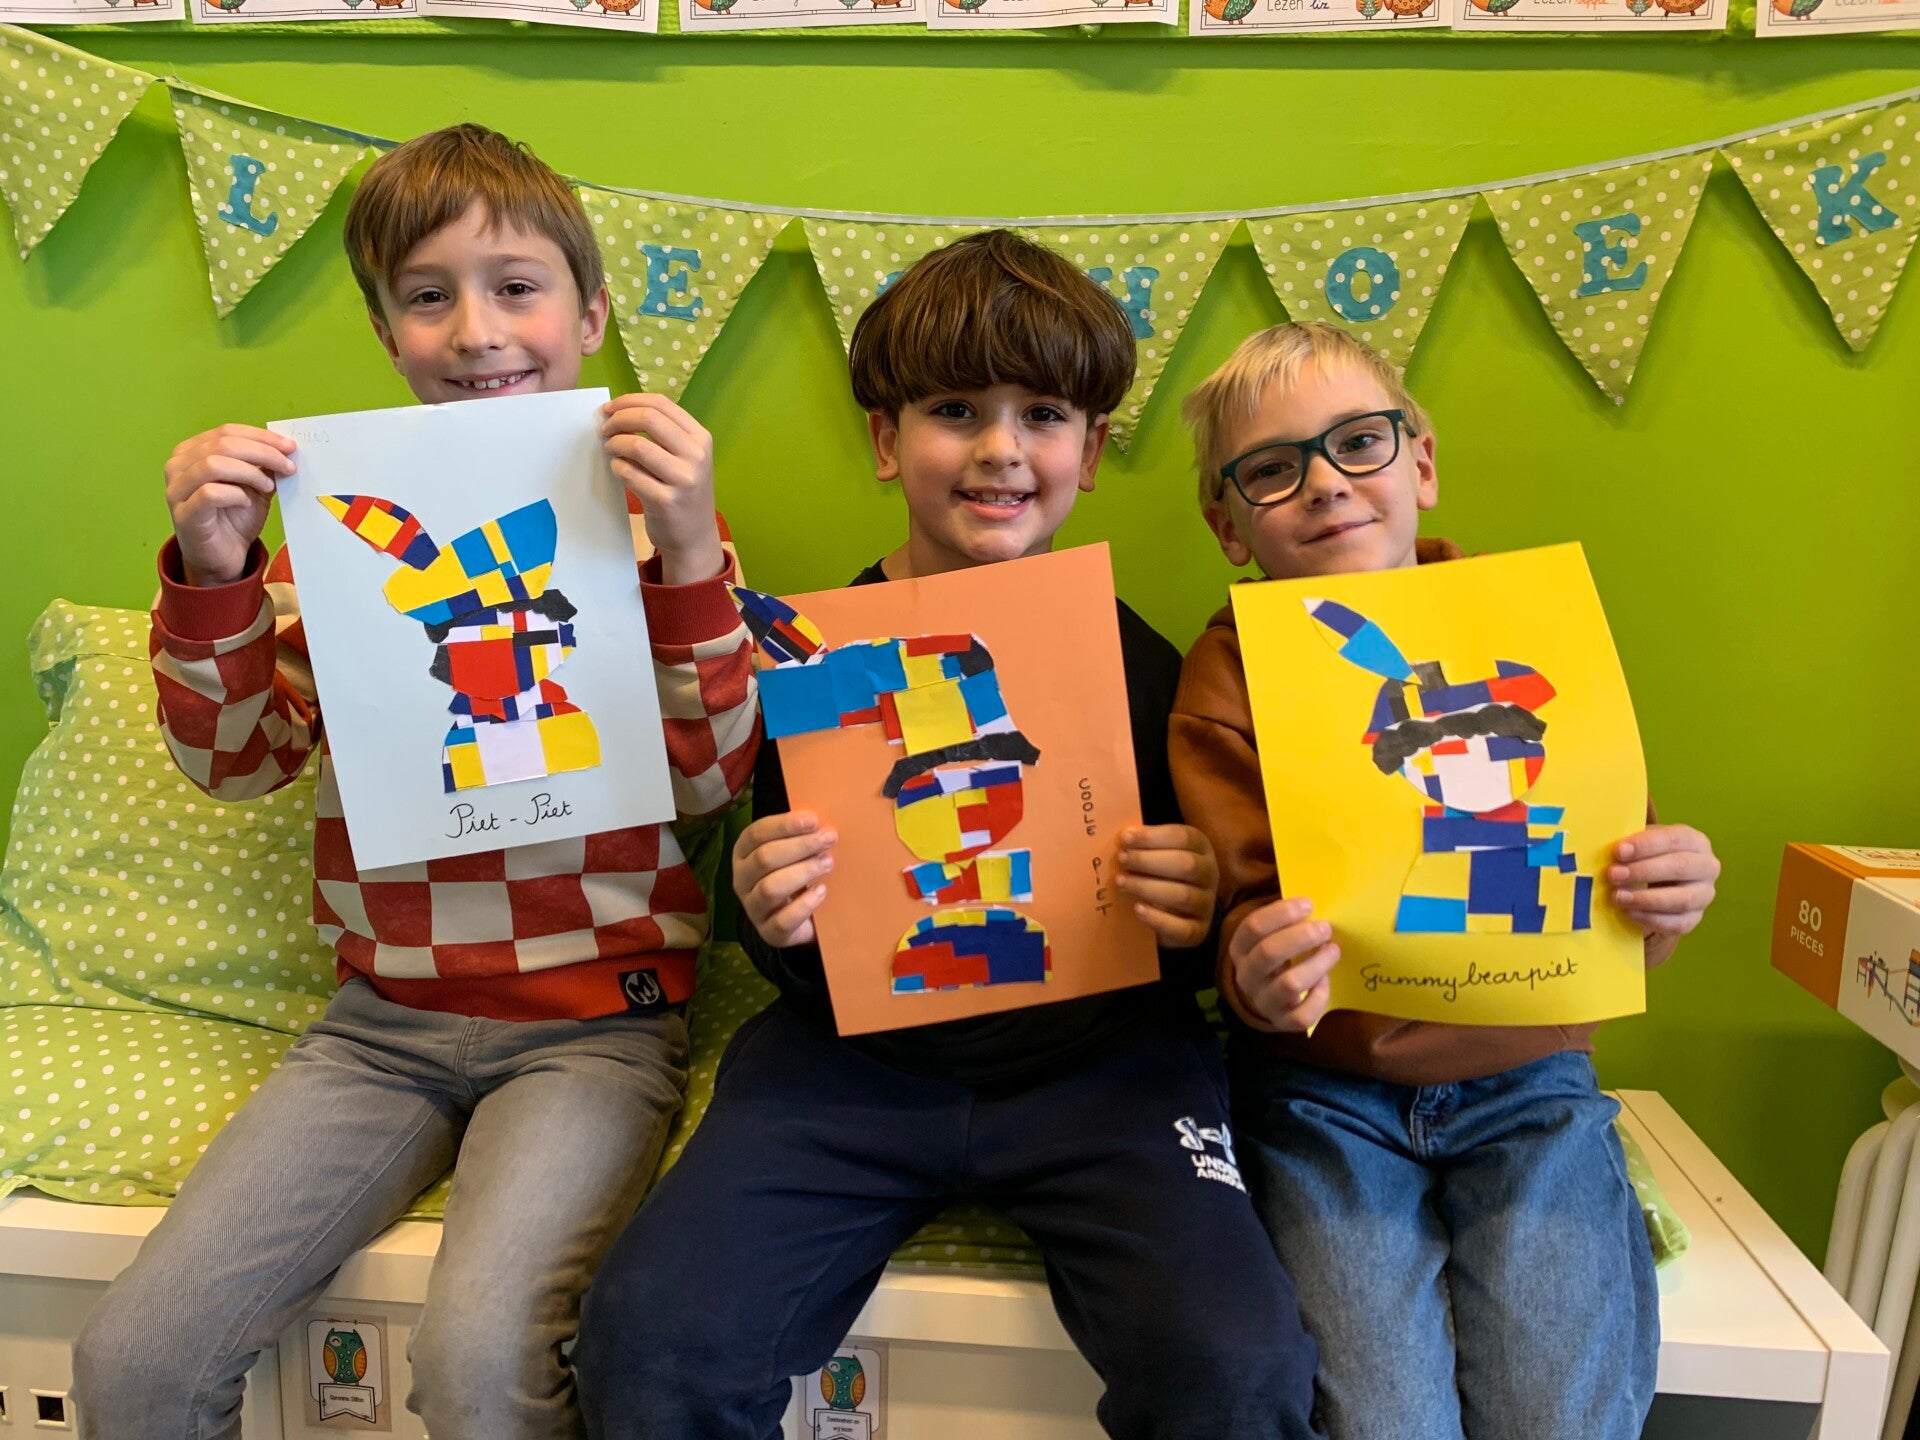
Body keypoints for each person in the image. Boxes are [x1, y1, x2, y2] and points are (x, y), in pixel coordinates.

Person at [574, 229, 1323, 1440]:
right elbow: (794, 926)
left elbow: (1204, 929)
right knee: (652, 1346)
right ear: (887, 441)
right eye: (956, 411)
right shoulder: (817, 661)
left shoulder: (1146, 668)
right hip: (849, 1068)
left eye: (1044, 415)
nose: (1000, 449)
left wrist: (1194, 910)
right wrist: (769, 910)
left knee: (1237, 1368)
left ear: (1090, 450)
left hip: (1108, 1075)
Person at [71, 122, 758, 1440]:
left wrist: (686, 556)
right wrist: (216, 571)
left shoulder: (651, 512)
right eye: (429, 296)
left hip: (594, 1028)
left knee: (480, 1363)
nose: (477, 330)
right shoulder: (336, 527)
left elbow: (711, 778)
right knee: (135, 1364)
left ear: (591, 314)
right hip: (380, 1026)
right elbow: (236, 762)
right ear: (388, 334)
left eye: (517, 287)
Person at [1170, 319, 1722, 1440]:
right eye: (1273, 469)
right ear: (1228, 523)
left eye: (1358, 443)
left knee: (1560, 1413)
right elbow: (1237, 916)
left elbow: (1608, 885)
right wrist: (1253, 969)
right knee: (1380, 1417)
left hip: (1530, 1081)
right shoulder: (1227, 675)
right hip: (1323, 1094)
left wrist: (1667, 893)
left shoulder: (1527, 631)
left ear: (1419, 462)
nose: (1326, 482)